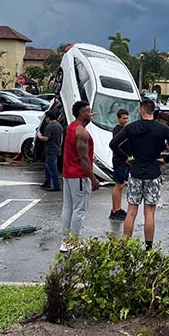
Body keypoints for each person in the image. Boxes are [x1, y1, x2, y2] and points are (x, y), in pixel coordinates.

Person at [109, 99, 169, 249]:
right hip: (153, 173)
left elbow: (113, 144)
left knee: (131, 211)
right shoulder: (161, 128)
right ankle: (149, 247)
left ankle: (126, 245)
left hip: (135, 172)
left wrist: (126, 158)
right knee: (149, 212)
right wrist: (165, 160)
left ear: (142, 111)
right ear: (152, 111)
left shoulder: (131, 127)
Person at [60, 101, 100, 252]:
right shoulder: (81, 133)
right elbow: (83, 159)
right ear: (82, 113)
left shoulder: (71, 127)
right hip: (79, 175)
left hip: (68, 174)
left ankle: (65, 241)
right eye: (89, 112)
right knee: (79, 210)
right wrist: (93, 179)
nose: (91, 114)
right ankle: (74, 242)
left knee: (68, 207)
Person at [109, 109, 130, 221]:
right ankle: (114, 210)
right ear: (118, 118)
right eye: (123, 118)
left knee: (121, 185)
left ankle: (118, 207)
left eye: (127, 118)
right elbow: (117, 144)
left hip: (125, 160)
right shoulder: (118, 130)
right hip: (119, 160)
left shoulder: (124, 129)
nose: (125, 120)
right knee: (118, 185)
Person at [37, 111, 63, 192]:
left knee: (52, 168)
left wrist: (39, 136)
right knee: (48, 167)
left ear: (48, 118)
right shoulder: (59, 126)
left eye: (46, 118)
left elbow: (46, 138)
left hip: (51, 149)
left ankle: (56, 185)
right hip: (57, 148)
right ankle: (47, 182)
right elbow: (61, 138)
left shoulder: (49, 127)